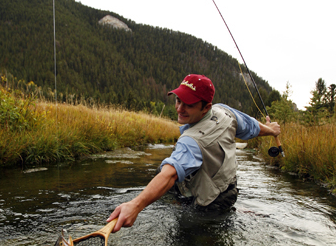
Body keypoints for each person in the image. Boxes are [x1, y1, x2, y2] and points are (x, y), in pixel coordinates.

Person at [108, 74, 281, 232]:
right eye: (178, 100)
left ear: (206, 107)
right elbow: (253, 127)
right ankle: (223, 211)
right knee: (161, 173)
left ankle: (219, 217)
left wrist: (135, 205)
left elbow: (170, 175)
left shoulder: (191, 141)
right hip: (229, 188)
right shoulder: (225, 112)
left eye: (189, 104)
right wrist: (272, 130)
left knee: (185, 245)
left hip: (210, 204)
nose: (179, 108)